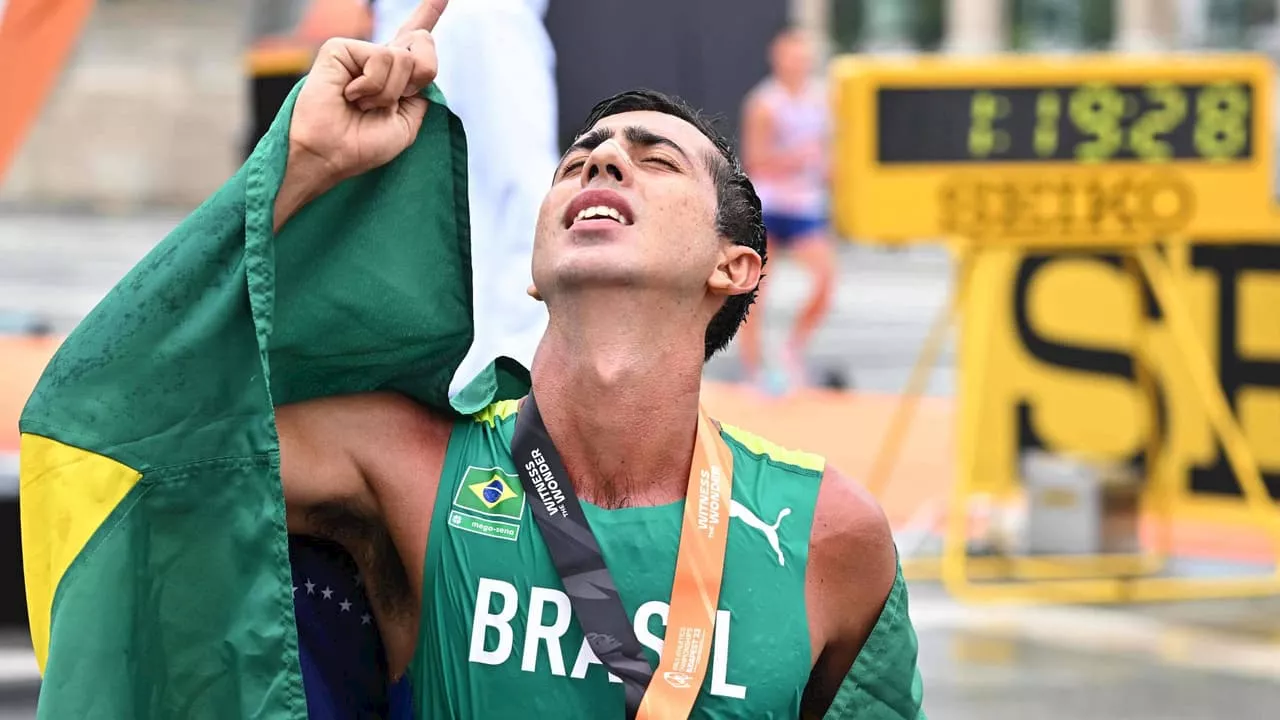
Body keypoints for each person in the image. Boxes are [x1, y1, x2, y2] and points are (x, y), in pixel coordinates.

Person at [271, 0, 922, 715]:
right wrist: (302, 166)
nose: (601, 159)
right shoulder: (406, 467)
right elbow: (150, 426)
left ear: (733, 267)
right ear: (534, 266)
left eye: (656, 160)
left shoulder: (829, 531)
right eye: (576, 162)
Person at [368, 0, 557, 395]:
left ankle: (509, 378)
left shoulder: (485, 20)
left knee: (518, 195)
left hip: (474, 14)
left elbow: (527, 200)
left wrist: (517, 370)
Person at [736, 27, 838, 393]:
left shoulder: (822, 99)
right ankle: (754, 371)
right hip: (771, 205)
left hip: (806, 207)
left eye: (803, 56)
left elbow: (828, 154)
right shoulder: (765, 102)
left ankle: (791, 350)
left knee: (826, 281)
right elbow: (756, 160)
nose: (798, 63)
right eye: (791, 56)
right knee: (757, 289)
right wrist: (797, 159)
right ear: (778, 59)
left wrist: (828, 169)